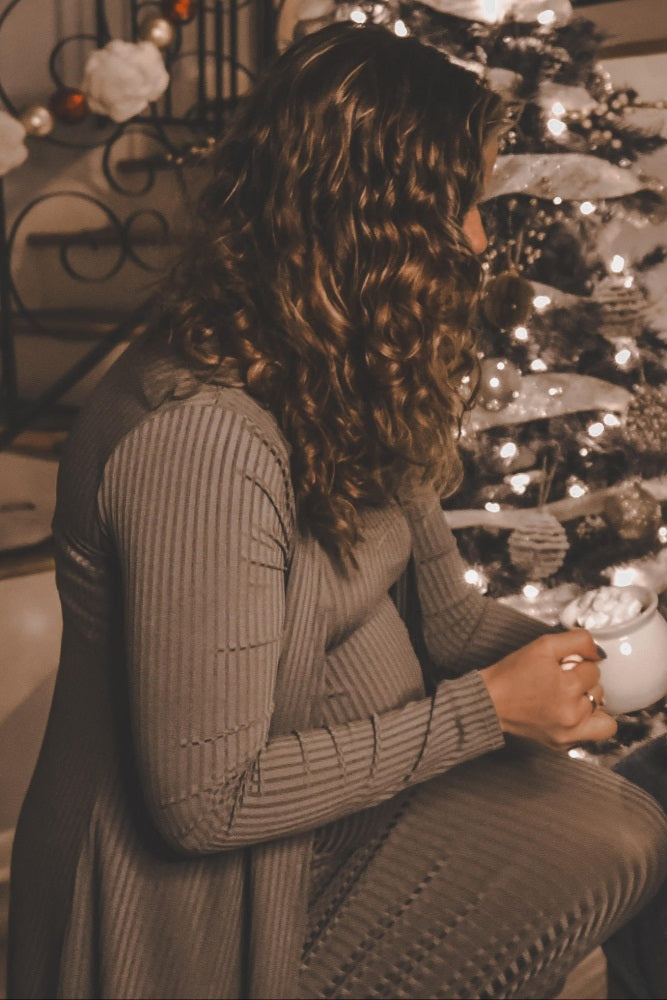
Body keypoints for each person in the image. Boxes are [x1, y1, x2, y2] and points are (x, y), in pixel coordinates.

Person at [8, 23, 667, 1000]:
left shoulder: (334, 368)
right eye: (459, 206)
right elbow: (204, 799)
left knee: (632, 819)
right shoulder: (202, 441)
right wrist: (487, 710)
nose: (476, 240)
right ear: (370, 220)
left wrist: (587, 657)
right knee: (613, 837)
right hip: (203, 906)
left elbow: (447, 621)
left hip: (350, 811)